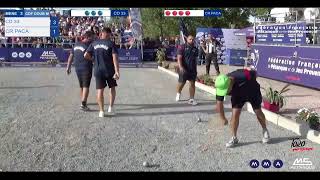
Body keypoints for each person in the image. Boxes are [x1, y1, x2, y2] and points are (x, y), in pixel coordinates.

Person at [214, 68, 270, 148]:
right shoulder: (220, 84)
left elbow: (254, 73)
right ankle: (234, 137)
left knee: (258, 111)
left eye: (226, 90)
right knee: (235, 114)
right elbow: (219, 103)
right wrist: (222, 118)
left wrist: (251, 78)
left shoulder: (242, 75)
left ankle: (265, 130)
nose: (225, 93)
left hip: (252, 91)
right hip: (238, 95)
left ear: (230, 83)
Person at [84, 27, 120, 118]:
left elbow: (85, 55)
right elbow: (115, 58)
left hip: (98, 70)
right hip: (109, 70)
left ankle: (101, 111)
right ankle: (110, 107)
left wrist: (93, 60)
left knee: (100, 90)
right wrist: (117, 71)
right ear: (109, 35)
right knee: (112, 88)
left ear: (101, 34)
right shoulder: (111, 44)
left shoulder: (94, 43)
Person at [66, 31, 94, 111]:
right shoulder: (88, 45)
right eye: (92, 37)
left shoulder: (76, 44)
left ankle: (83, 100)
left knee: (82, 85)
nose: (93, 39)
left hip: (77, 68)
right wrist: (93, 60)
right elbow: (88, 56)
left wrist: (68, 67)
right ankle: (83, 104)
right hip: (86, 67)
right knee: (86, 86)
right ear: (88, 37)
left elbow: (71, 56)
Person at [175, 35, 199, 106]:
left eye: (192, 39)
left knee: (192, 84)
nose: (191, 40)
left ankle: (191, 99)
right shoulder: (182, 47)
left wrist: (196, 70)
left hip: (192, 70)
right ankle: (178, 93)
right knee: (181, 83)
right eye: (190, 39)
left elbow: (195, 60)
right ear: (187, 40)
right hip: (184, 69)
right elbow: (179, 58)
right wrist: (180, 67)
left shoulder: (195, 49)